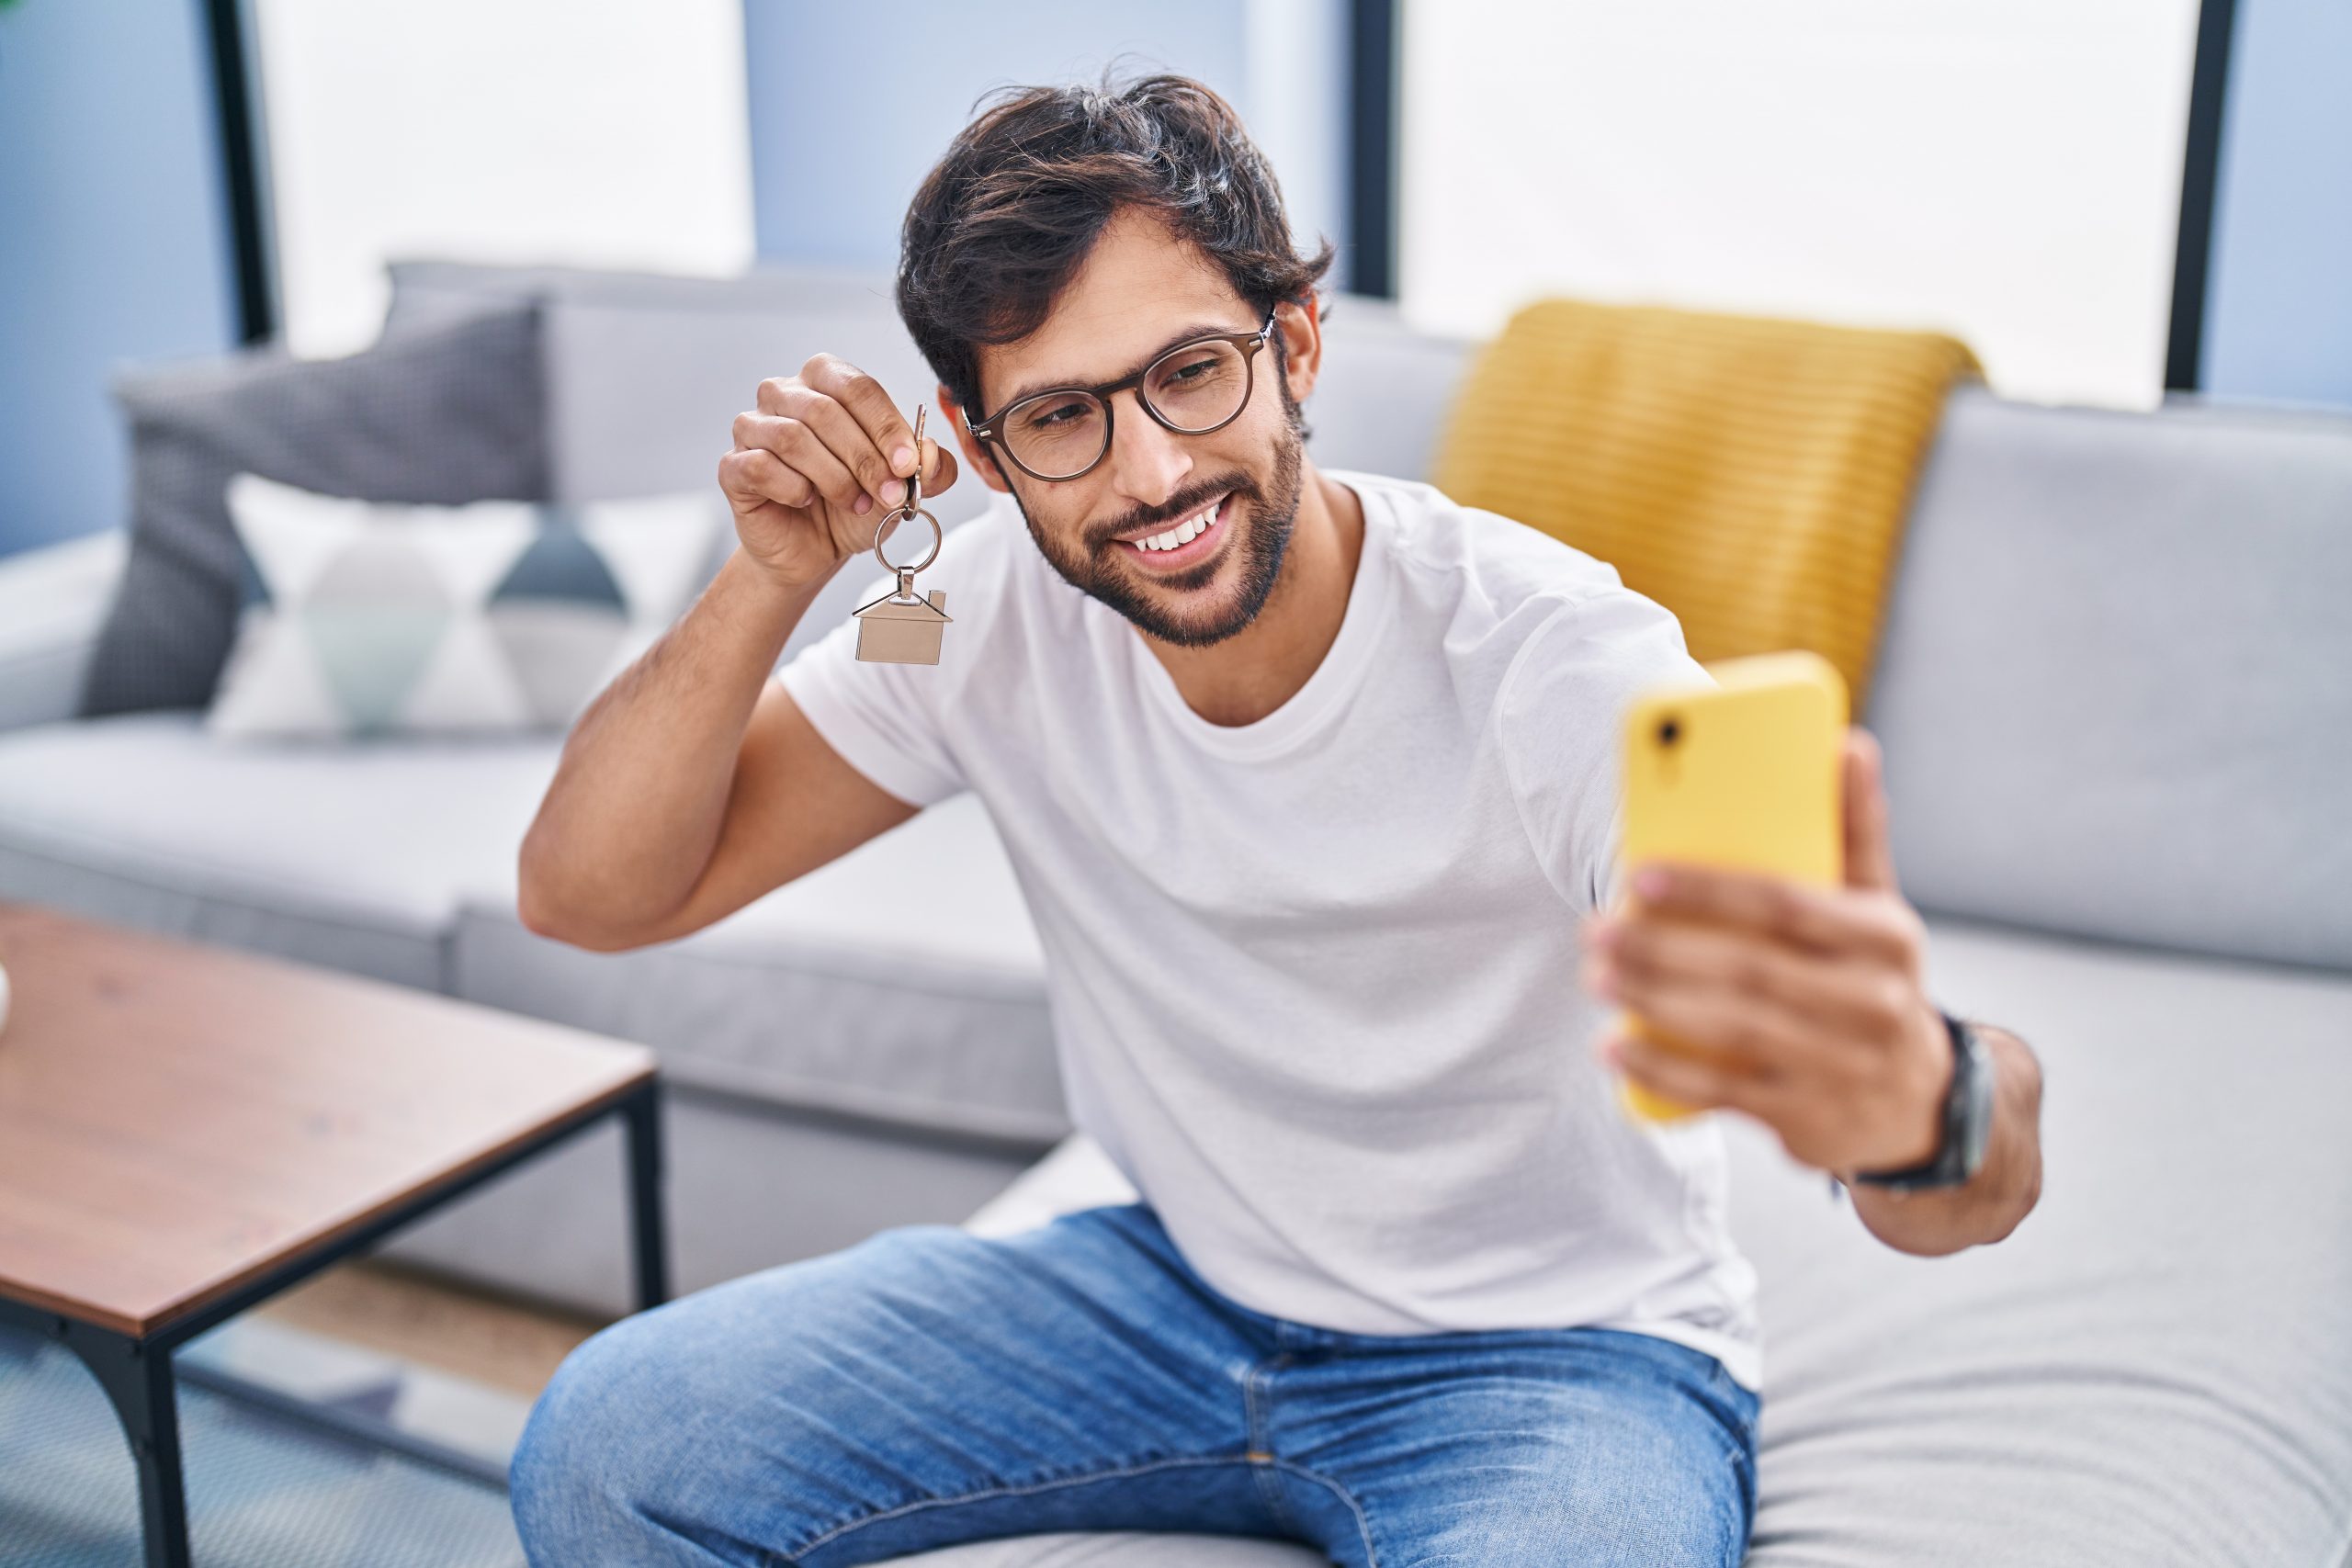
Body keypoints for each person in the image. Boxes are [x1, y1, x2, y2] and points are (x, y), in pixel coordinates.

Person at [507, 73, 2043, 1568]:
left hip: (1551, 1366)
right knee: (612, 1451)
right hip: (1161, 1295)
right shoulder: (979, 614)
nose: (1154, 470)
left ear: (1294, 348)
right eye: (1061, 417)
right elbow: (589, 895)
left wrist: (1926, 1104)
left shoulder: (1552, 660)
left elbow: (1959, 1173)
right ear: (984, 457)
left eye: (1191, 372)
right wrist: (773, 574)